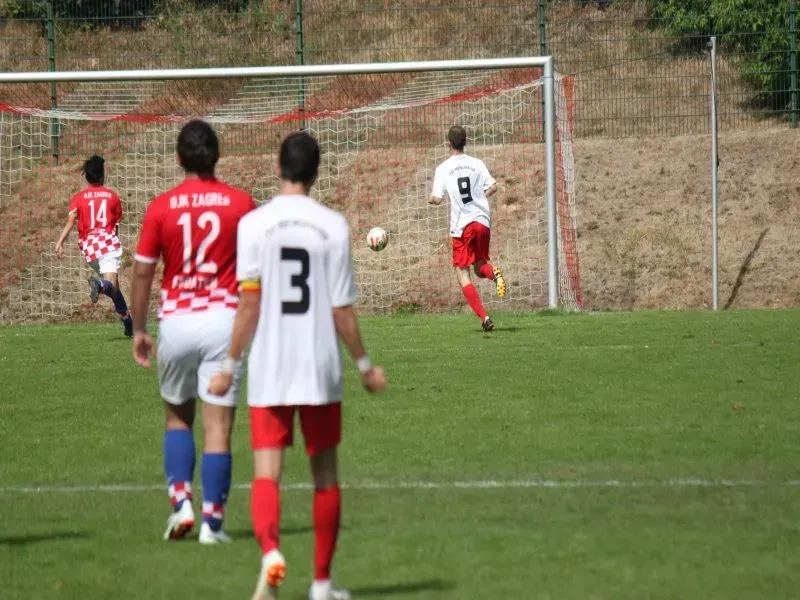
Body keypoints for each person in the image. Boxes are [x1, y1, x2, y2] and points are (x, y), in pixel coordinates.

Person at [208, 131, 386, 600]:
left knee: (267, 472)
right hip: (320, 367)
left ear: (277, 167)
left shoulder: (253, 225)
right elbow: (342, 311)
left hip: (269, 367)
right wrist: (365, 364)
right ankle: (322, 585)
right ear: (316, 170)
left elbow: (248, 307)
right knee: (325, 476)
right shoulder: (332, 226)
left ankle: (270, 553)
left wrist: (229, 363)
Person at [130, 120, 256, 544]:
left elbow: (144, 272)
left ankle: (181, 502)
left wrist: (140, 329)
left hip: (177, 322)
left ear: (179, 157)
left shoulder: (161, 207)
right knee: (218, 428)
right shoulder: (240, 204)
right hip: (224, 320)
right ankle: (212, 525)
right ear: (217, 156)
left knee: (177, 419)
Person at [429, 125, 506, 332]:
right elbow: (494, 186)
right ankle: (494, 273)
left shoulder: (443, 168)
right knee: (480, 267)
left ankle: (484, 317)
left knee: (462, 273)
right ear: (465, 142)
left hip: (462, 226)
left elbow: (436, 198)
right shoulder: (477, 163)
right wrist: (481, 196)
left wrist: (432, 200)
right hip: (482, 221)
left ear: (448, 143)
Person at [55, 155, 133, 336]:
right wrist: (113, 250)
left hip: (89, 249)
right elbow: (116, 226)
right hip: (107, 244)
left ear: (86, 177)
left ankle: (128, 323)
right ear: (102, 175)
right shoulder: (112, 197)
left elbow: (70, 221)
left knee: (115, 289)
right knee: (110, 285)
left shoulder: (78, 198)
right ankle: (98, 284)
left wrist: (60, 242)